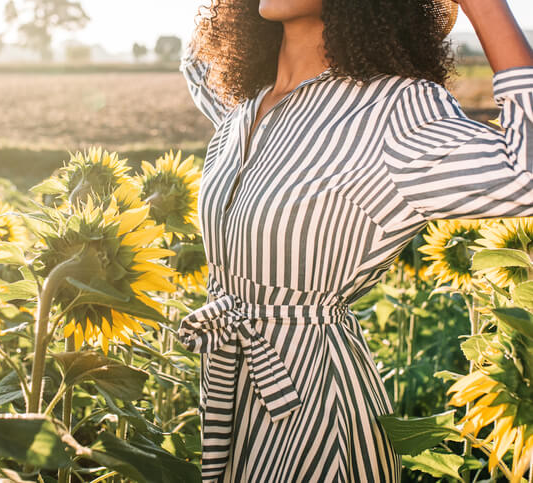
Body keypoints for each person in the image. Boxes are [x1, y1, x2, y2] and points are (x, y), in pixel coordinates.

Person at [175, 0, 533, 481]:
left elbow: (525, 173)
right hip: (232, 390)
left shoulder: (394, 112)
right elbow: (195, 56)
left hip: (313, 407)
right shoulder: (242, 102)